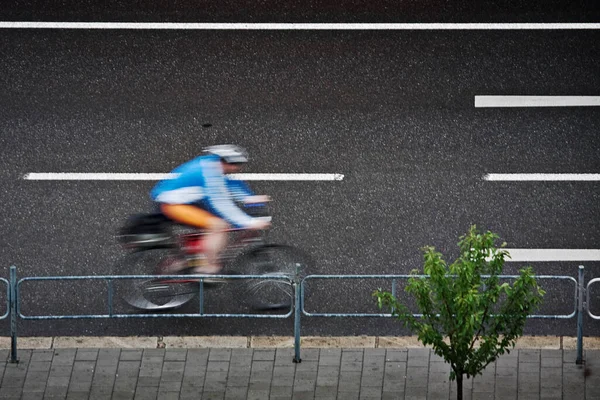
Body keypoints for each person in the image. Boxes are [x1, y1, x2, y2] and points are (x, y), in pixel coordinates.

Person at [150, 144, 270, 274]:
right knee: (219, 225)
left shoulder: (212, 165)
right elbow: (222, 204)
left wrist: (250, 198)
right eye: (236, 164)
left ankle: (193, 258)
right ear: (225, 161)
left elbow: (230, 184)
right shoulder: (209, 175)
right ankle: (207, 267)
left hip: (185, 201)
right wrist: (249, 222)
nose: (238, 168)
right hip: (172, 204)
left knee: (213, 224)